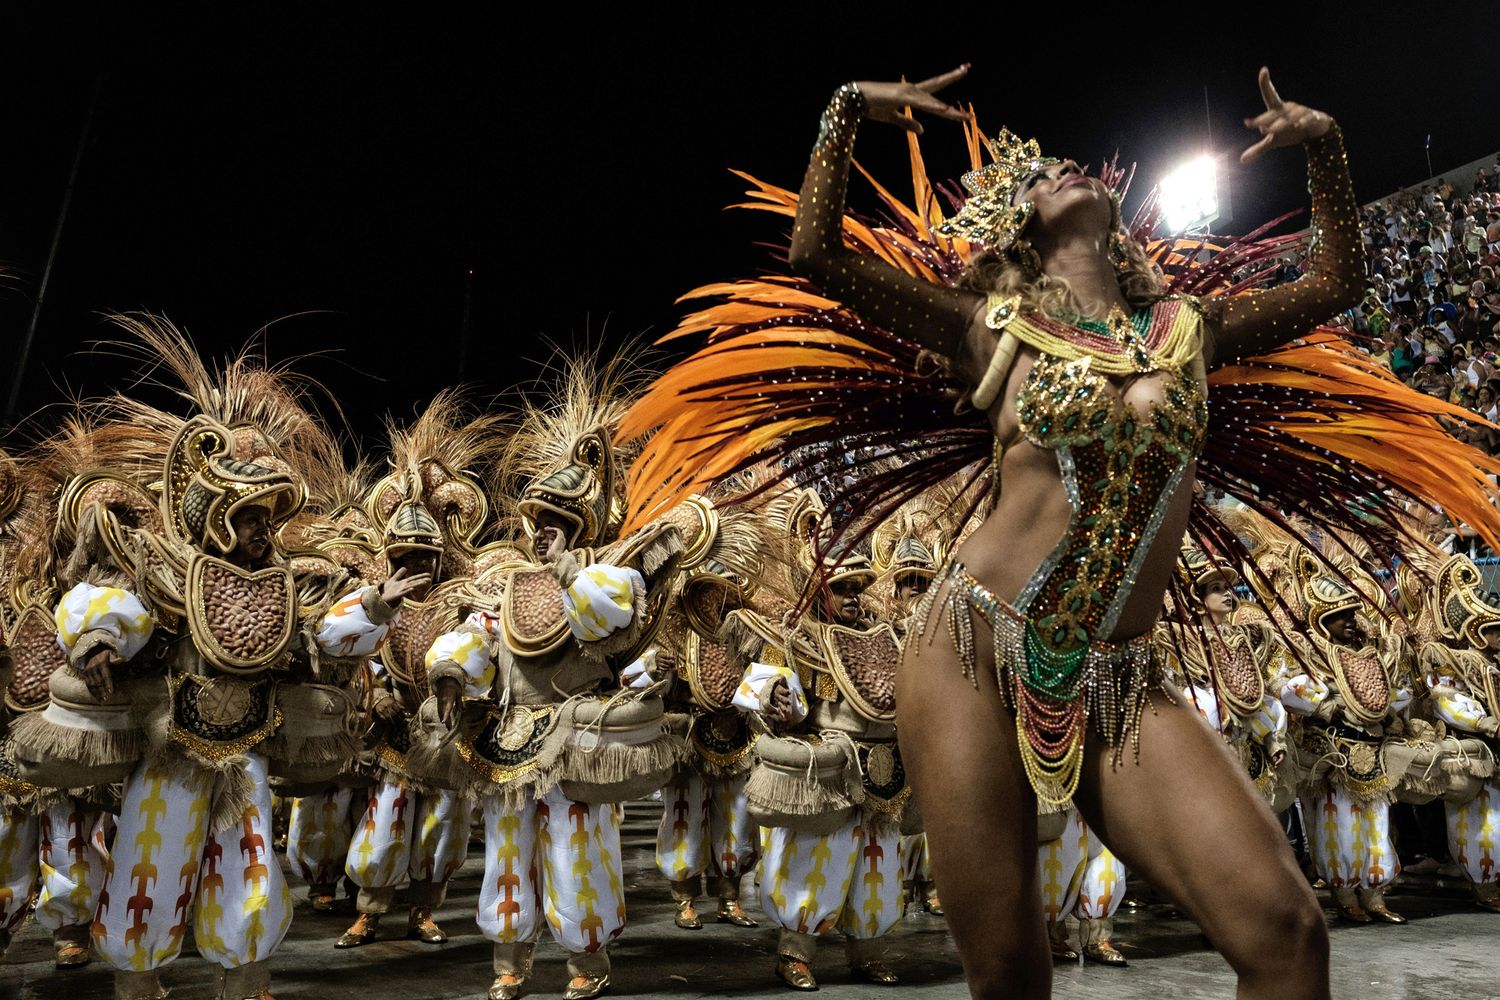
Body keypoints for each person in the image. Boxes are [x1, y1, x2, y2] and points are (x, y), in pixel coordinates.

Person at [615, 63, 1500, 1000]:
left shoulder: (1190, 328)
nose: (1062, 172)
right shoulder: (988, 328)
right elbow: (817, 257)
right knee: (1008, 970)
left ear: (1119, 225)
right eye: (1039, 179)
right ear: (1020, 228)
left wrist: (1324, 146)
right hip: (969, 649)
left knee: (1287, 935)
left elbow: (1338, 277)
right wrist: (845, 111)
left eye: (1074, 168)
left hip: (1121, 675)